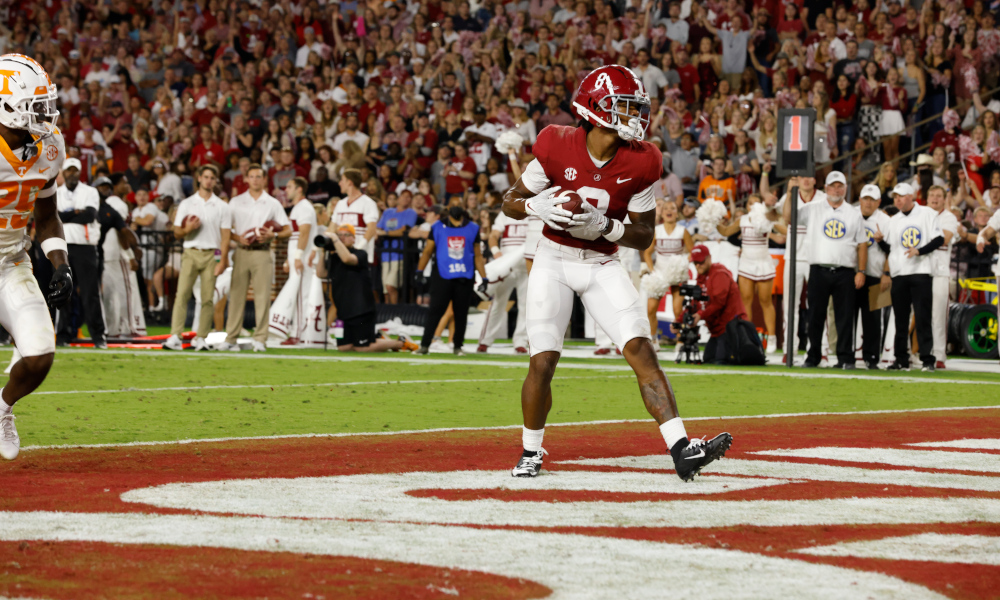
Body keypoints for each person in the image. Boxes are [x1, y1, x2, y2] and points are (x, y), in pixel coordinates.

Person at [499, 65, 732, 482]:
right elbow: (511, 199)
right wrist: (538, 207)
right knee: (544, 360)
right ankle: (531, 451)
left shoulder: (644, 159)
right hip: (553, 258)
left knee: (640, 350)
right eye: (624, 106)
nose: (635, 115)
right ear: (594, 109)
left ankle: (681, 448)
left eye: (636, 107)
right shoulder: (556, 142)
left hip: (603, 262)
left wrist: (607, 227)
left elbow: (643, 235)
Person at [0, 53, 73, 460]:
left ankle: (2, 407)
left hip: (10, 261)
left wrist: (61, 264)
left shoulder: (49, 147)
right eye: (36, 106)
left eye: (46, 104)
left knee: (41, 355)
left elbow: (47, 216)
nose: (45, 116)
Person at [783, 171, 867, 369]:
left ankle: (846, 358)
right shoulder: (813, 209)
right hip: (818, 269)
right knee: (815, 316)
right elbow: (789, 218)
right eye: (833, 186)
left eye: (840, 186)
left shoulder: (854, 212)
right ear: (826, 188)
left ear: (845, 188)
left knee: (844, 317)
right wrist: (788, 194)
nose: (836, 190)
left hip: (845, 270)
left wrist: (861, 271)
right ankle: (813, 356)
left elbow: (862, 244)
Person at [218, 163, 291, 352]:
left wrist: (272, 235)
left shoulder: (272, 202)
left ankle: (260, 339)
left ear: (264, 179)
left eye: (259, 176)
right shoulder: (236, 201)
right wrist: (237, 237)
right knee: (236, 296)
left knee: (262, 297)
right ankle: (231, 338)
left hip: (263, 252)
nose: (255, 180)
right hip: (242, 251)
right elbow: (225, 229)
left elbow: (287, 229)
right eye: (252, 176)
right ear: (246, 179)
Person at [315, 224, 418, 352]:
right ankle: (379, 338)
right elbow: (321, 274)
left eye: (346, 235)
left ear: (354, 239)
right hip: (343, 311)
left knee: (362, 348)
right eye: (340, 235)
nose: (342, 238)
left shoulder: (361, 254)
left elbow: (347, 259)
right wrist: (322, 251)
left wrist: (335, 239)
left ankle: (399, 343)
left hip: (361, 310)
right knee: (343, 347)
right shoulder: (334, 258)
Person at [163, 165, 232, 351]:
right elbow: (176, 232)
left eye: (212, 177)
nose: (209, 180)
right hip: (191, 251)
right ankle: (175, 335)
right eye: (206, 177)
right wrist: (187, 229)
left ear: (215, 181)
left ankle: (201, 337)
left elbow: (226, 237)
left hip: (212, 254)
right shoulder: (187, 204)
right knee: (182, 294)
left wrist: (223, 260)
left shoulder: (222, 206)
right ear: (199, 178)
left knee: (208, 298)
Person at [881, 182, 944, 372]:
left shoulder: (927, 213)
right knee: (900, 319)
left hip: (921, 271)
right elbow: (892, 248)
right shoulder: (894, 220)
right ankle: (900, 359)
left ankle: (927, 359)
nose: (898, 200)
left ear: (912, 196)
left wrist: (919, 251)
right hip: (900, 273)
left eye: (901, 196)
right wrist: (879, 242)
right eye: (895, 197)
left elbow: (939, 239)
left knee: (923, 317)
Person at [415, 200, 487, 356]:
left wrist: (484, 278)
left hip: (465, 276)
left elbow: (478, 255)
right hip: (442, 275)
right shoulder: (436, 227)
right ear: (447, 208)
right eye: (453, 203)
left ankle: (457, 346)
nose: (455, 206)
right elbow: (427, 251)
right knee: (435, 311)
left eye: (459, 203)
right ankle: (424, 345)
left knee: (461, 313)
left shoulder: (473, 228)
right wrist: (419, 270)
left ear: (463, 208)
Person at [716, 193, 784, 352]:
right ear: (746, 207)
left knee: (766, 302)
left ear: (761, 205)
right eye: (749, 203)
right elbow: (726, 232)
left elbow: (784, 230)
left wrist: (774, 217)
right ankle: (747, 337)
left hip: (763, 263)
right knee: (745, 301)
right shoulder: (742, 220)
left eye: (756, 203)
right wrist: (713, 221)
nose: (752, 206)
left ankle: (772, 338)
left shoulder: (766, 219)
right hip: (746, 263)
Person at [56, 157, 106, 348]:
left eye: (75, 170)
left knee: (90, 293)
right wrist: (75, 213)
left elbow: (90, 215)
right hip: (64, 248)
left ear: (79, 173)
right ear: (64, 172)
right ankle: (63, 335)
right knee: (63, 292)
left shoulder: (90, 191)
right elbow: (56, 217)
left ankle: (98, 336)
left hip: (85, 247)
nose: (72, 174)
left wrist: (67, 216)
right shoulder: (57, 192)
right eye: (69, 170)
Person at [776, 175, 828, 362]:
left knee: (817, 305)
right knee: (790, 305)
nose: (805, 180)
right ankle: (789, 348)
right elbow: (787, 218)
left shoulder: (823, 197)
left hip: (815, 257)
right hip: (792, 256)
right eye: (801, 177)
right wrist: (790, 193)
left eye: (809, 177)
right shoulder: (790, 195)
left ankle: (821, 348)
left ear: (816, 180)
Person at [94, 176, 145, 339]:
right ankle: (131, 327)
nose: (127, 184)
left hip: (103, 253)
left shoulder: (103, 204)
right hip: (117, 254)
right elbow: (121, 232)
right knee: (126, 292)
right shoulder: (118, 204)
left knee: (109, 295)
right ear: (116, 186)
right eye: (123, 182)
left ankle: (113, 330)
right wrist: (130, 255)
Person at [685, 244, 749, 364]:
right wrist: (679, 321)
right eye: (695, 263)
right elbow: (696, 301)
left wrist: (700, 315)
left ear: (709, 258)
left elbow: (718, 303)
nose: (698, 265)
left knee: (721, 359)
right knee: (709, 358)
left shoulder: (719, 274)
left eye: (701, 261)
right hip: (717, 330)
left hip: (731, 327)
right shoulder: (702, 276)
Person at [642, 200, 693, 347]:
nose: (669, 211)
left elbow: (691, 251)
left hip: (677, 275)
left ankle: (680, 340)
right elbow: (647, 253)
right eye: (665, 208)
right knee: (651, 309)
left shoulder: (682, 231)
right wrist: (653, 271)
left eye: (672, 208)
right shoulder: (657, 230)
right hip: (660, 274)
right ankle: (653, 340)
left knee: (678, 310)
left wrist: (683, 264)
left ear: (677, 213)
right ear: (662, 213)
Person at [478, 210, 530, 354]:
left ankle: (520, 342)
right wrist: (497, 254)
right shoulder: (506, 213)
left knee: (525, 305)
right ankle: (485, 340)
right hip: (506, 266)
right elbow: (493, 236)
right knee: (498, 304)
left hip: (525, 265)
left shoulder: (534, 213)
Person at [857, 184, 891, 370]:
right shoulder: (851, 214)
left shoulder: (886, 220)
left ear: (878, 201)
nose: (868, 203)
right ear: (860, 199)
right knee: (847, 316)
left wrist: (887, 273)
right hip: (853, 274)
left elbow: (892, 250)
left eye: (872, 199)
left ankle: (872, 358)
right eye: (865, 198)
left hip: (878, 274)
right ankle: (845, 355)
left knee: (874, 320)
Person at [283, 176, 319, 344]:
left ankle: (298, 334)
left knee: (300, 296)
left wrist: (297, 258)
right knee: (298, 295)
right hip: (298, 258)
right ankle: (300, 332)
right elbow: (296, 236)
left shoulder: (303, 207)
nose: (286, 190)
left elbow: (304, 232)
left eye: (289, 187)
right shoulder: (299, 207)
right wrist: (288, 259)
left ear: (299, 189)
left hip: (302, 259)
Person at [927, 186, 959, 369]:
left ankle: (939, 354)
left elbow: (944, 239)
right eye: (932, 195)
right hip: (920, 270)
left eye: (939, 196)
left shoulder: (949, 217)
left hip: (940, 272)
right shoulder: (921, 213)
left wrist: (922, 240)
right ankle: (915, 351)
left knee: (938, 314)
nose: (935, 198)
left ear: (944, 199)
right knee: (917, 314)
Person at [376, 190, 417, 304]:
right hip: (385, 254)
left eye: (409, 197)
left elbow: (403, 231)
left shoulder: (411, 213)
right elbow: (378, 228)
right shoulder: (388, 212)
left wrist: (385, 233)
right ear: (398, 198)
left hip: (399, 254)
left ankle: (394, 312)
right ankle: (386, 315)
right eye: (404, 196)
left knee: (391, 286)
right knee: (385, 289)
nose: (406, 199)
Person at [332, 169, 380, 258]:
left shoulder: (368, 203)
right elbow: (332, 228)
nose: (339, 183)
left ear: (349, 182)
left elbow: (371, 229)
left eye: (342, 180)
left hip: (361, 258)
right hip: (341, 255)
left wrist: (358, 249)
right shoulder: (340, 204)